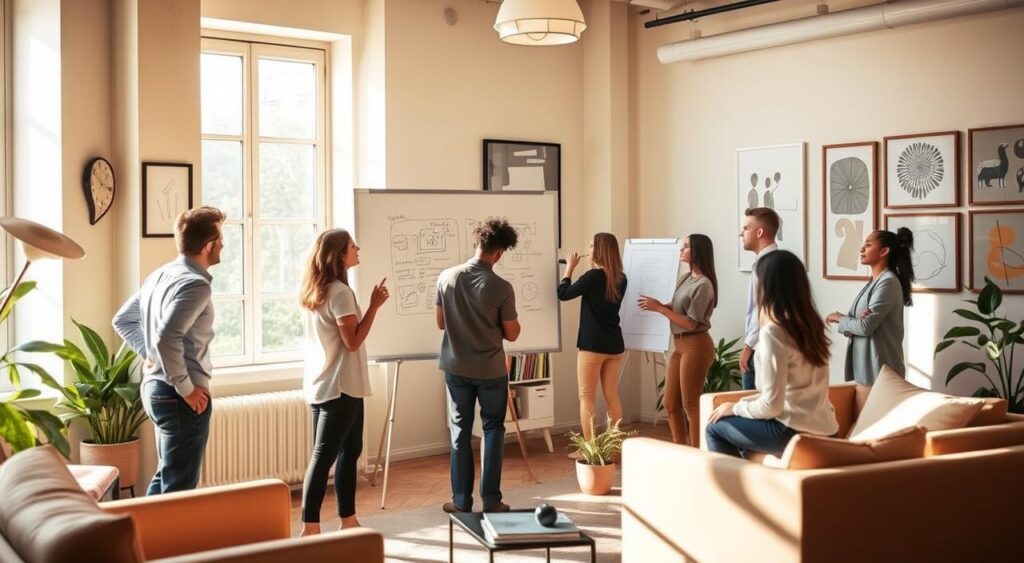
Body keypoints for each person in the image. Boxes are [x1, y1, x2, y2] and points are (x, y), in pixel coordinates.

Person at [112, 206, 225, 494]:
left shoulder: (160, 275)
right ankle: (164, 540)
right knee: (179, 489)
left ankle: (142, 537)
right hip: (179, 397)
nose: (223, 244)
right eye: (221, 237)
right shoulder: (196, 284)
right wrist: (186, 388)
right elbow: (166, 338)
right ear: (208, 245)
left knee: (167, 480)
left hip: (154, 389)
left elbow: (123, 320)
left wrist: (149, 354)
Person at [298, 229, 388, 535]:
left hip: (325, 384)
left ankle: (348, 520)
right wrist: (375, 306)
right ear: (339, 255)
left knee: (348, 451)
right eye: (352, 246)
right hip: (341, 386)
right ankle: (310, 526)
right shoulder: (340, 293)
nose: (357, 248)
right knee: (326, 457)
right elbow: (353, 342)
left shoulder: (317, 290)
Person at [706, 250, 838, 459]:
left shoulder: (774, 332)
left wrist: (735, 408)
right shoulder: (810, 325)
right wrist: (742, 406)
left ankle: (734, 491)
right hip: (828, 430)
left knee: (714, 428)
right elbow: (785, 396)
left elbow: (771, 405)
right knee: (740, 430)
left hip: (791, 433)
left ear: (765, 286)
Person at [436, 217, 520, 514]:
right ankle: (492, 500)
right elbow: (511, 332)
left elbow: (440, 323)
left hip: (455, 367)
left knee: (460, 430)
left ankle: (460, 501)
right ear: (499, 253)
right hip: (490, 371)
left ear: (478, 243)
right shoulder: (501, 287)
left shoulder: (446, 277)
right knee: (493, 429)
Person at [639, 234, 718, 447]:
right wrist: (660, 305)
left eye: (686, 246)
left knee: (690, 404)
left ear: (697, 252)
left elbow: (691, 323)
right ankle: (681, 452)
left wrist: (661, 310)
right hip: (680, 344)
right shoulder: (685, 278)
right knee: (671, 403)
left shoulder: (704, 285)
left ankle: (697, 454)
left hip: (696, 344)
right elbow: (678, 308)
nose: (681, 249)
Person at [557, 233, 627, 453]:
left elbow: (563, 293)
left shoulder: (592, 277)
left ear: (599, 250)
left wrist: (569, 268)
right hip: (615, 345)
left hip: (592, 346)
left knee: (586, 396)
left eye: (591, 245)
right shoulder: (621, 278)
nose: (588, 249)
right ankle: (614, 447)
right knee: (612, 395)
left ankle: (590, 449)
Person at [825, 228, 915, 385]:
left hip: (881, 374)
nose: (861, 249)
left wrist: (841, 319)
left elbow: (864, 327)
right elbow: (858, 326)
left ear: (884, 251)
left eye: (867, 245)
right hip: (869, 372)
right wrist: (854, 322)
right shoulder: (875, 281)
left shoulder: (887, 282)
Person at [739, 207, 780, 390]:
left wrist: (748, 346)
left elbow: (764, 310)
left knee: (751, 408)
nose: (741, 233)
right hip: (764, 347)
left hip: (761, 349)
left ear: (760, 232)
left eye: (746, 228)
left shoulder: (768, 264)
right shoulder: (770, 261)